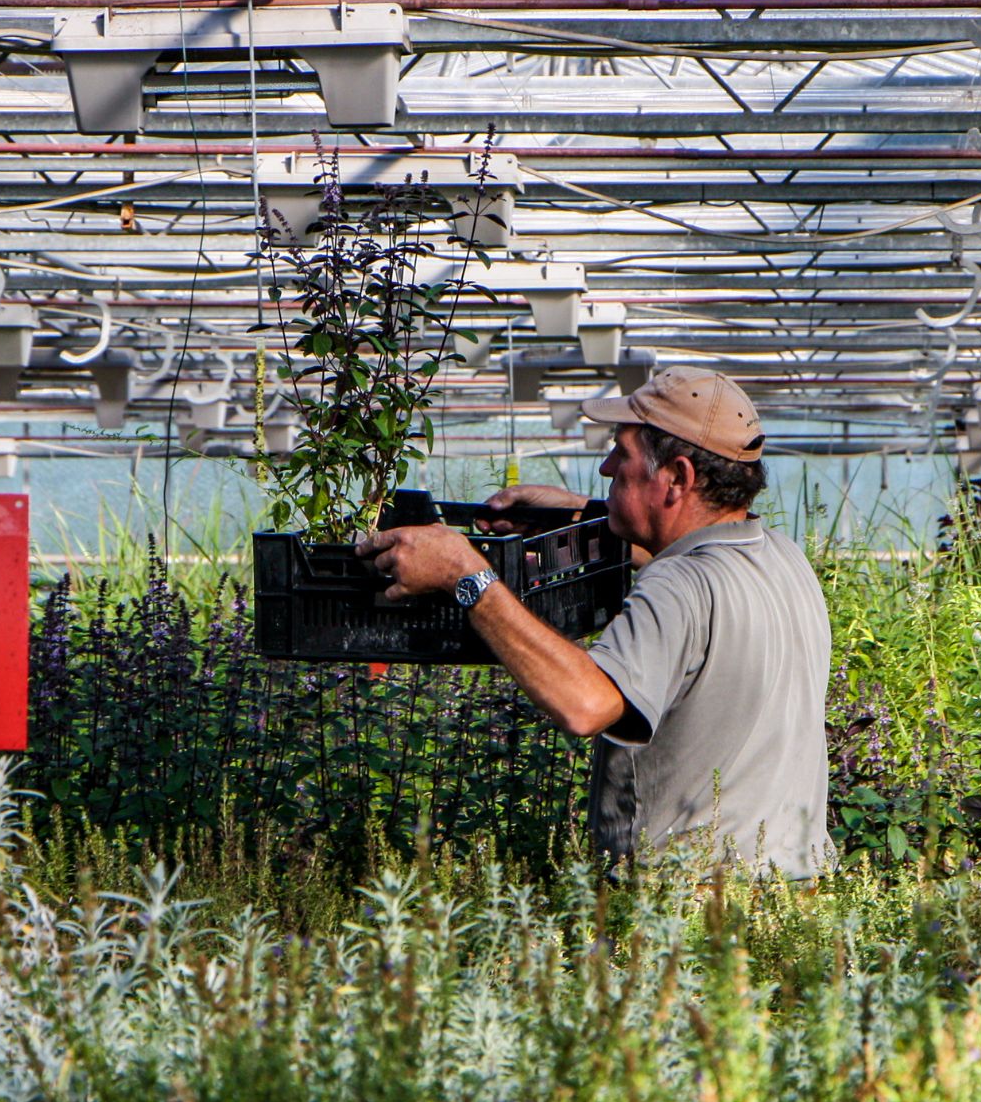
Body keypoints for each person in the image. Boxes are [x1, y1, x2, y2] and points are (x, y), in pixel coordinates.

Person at [357, 366, 833, 879]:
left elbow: (586, 706)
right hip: (790, 893)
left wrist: (468, 576)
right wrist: (578, 514)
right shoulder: (783, 558)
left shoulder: (678, 586)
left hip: (693, 909)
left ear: (676, 478)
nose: (607, 467)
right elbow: (683, 571)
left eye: (621, 453)